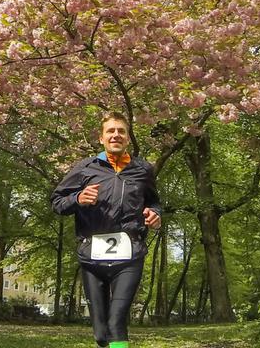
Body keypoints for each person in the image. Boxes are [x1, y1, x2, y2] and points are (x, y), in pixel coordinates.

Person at [51, 111, 162, 348]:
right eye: (110, 131)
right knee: (101, 333)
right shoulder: (85, 168)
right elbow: (57, 202)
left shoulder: (142, 170)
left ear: (128, 138)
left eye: (121, 131)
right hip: (92, 256)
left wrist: (155, 215)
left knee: (117, 322)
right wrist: (78, 198)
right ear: (101, 138)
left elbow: (154, 202)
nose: (116, 135)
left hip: (130, 254)